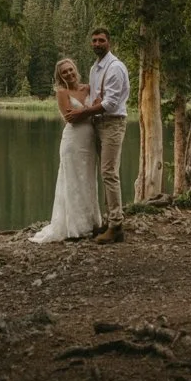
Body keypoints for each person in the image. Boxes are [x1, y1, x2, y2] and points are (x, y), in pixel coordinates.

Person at [30, 58, 103, 243]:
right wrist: (91, 109)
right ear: (60, 76)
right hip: (72, 141)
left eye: (70, 69)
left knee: (88, 179)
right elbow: (70, 118)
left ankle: (91, 223)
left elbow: (99, 106)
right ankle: (74, 227)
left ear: (75, 69)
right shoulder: (62, 92)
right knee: (72, 181)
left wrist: (85, 111)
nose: (69, 73)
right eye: (64, 72)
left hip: (89, 141)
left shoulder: (88, 88)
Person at [69, 28, 129, 244]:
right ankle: (110, 219)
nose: (96, 44)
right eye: (94, 40)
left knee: (109, 172)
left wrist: (83, 113)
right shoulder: (95, 68)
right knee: (105, 173)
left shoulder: (115, 68)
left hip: (113, 123)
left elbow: (111, 103)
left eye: (101, 40)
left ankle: (116, 226)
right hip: (98, 123)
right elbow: (97, 98)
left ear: (108, 42)